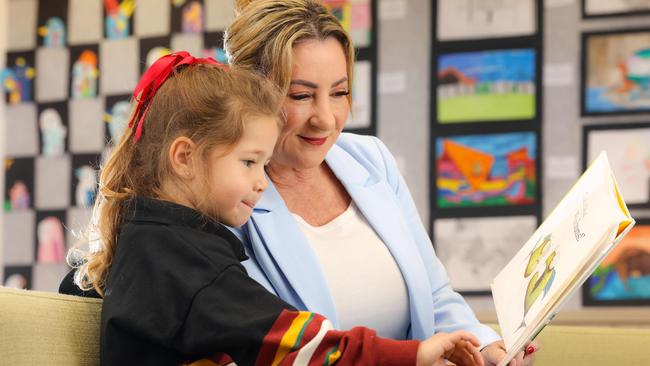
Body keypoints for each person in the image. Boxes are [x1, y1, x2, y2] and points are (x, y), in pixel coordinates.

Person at [65, 51, 485, 366]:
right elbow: (291, 339)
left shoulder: (151, 238)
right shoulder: (182, 259)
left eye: (341, 91)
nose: (262, 182)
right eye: (249, 162)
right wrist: (411, 355)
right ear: (184, 158)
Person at [224, 1, 537, 365]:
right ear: (248, 93)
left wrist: (484, 347)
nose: (326, 119)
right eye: (301, 96)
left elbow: (435, 295)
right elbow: (279, 350)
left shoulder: (370, 158)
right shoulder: (227, 197)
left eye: (340, 93)